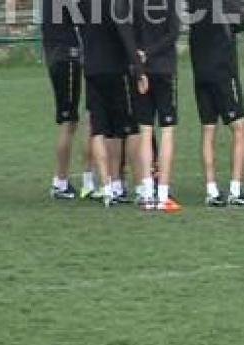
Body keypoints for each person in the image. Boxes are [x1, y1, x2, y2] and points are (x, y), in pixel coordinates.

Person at [78, 0, 148, 207]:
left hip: (92, 70)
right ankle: (142, 186)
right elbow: (125, 34)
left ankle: (110, 186)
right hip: (116, 68)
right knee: (130, 128)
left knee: (102, 131)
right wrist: (139, 70)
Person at [188, 0, 244, 206]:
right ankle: (235, 189)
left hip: (200, 70)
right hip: (222, 70)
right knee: (239, 128)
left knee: (208, 129)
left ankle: (211, 190)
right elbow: (240, 23)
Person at [133, 0, 181, 211]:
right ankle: (162, 194)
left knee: (145, 131)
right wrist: (152, 51)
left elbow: (131, 35)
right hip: (165, 69)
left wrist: (141, 58)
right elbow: (173, 32)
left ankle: (147, 192)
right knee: (167, 131)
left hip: (143, 71)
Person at [42, 0, 84, 199]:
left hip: (58, 54)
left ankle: (61, 180)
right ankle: (60, 181)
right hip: (65, 56)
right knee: (69, 121)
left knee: (70, 121)